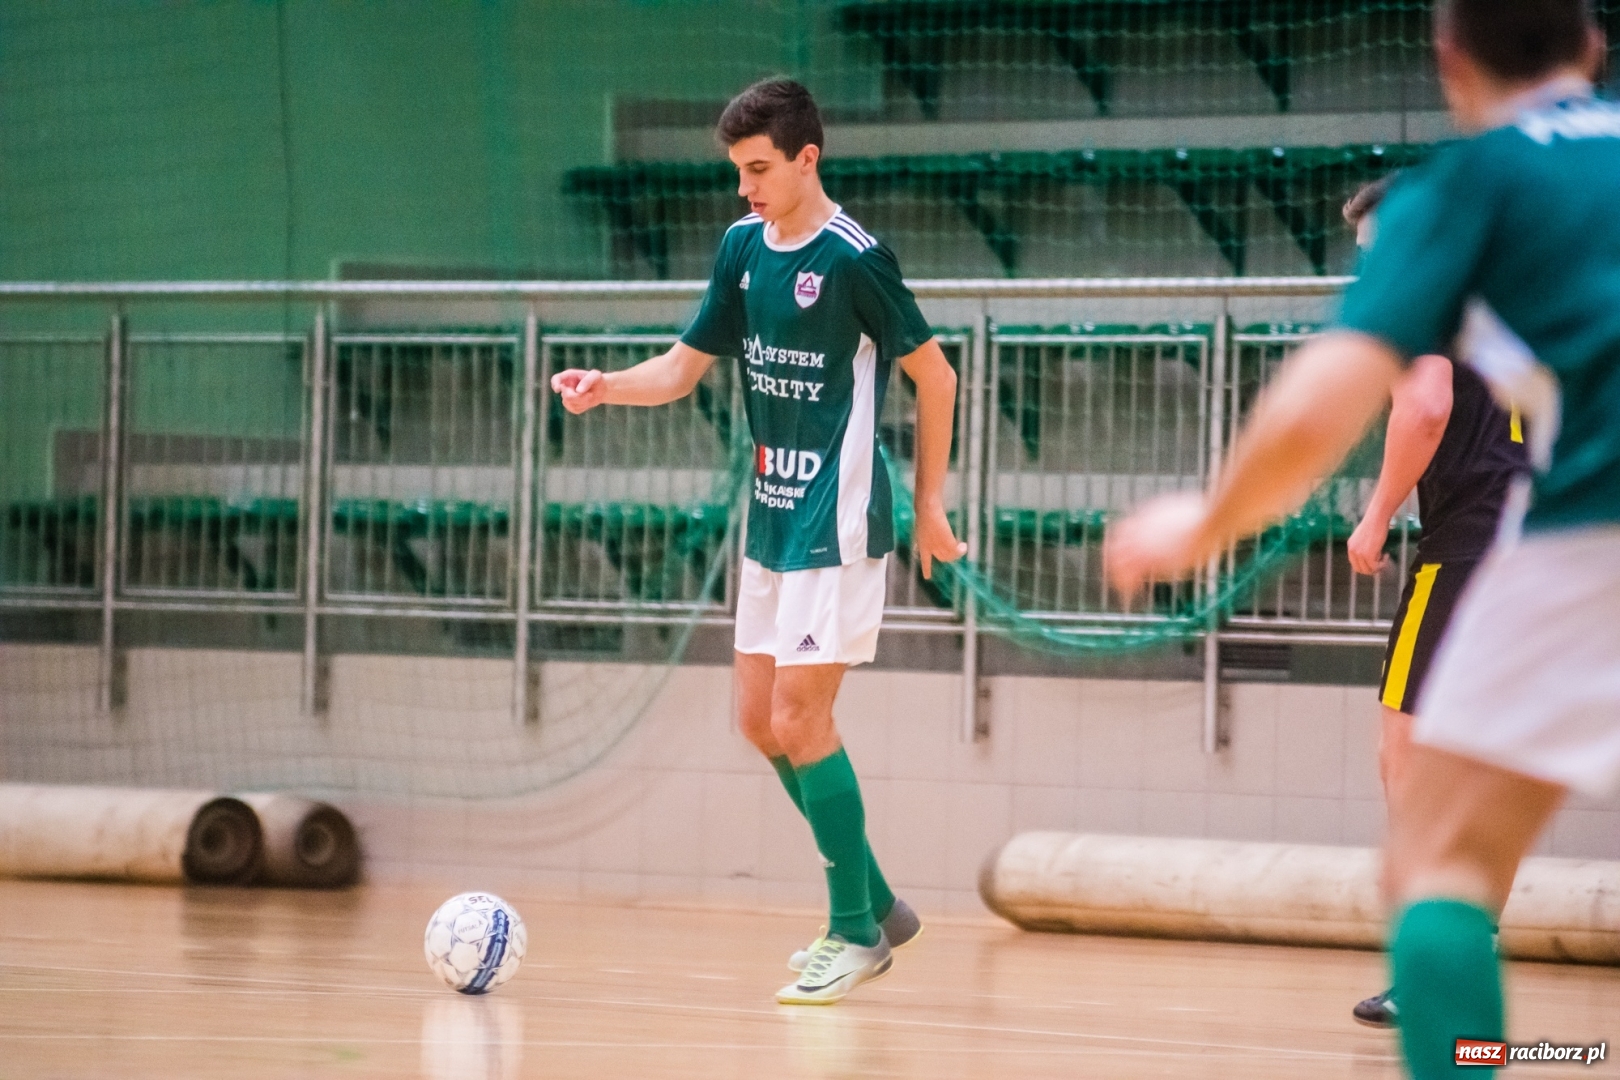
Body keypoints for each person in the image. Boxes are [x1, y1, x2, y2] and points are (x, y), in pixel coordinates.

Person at [1104, 1, 1619, 1075]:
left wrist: (1204, 522)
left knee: (1436, 866)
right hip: (1542, 534)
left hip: (1574, 536)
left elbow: (1331, 403)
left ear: (1447, 60)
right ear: (1593, 47)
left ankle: (1478, 1056)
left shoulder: (1469, 185)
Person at [552, 77, 966, 1006]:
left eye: (758, 169)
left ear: (806, 159)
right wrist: (606, 386)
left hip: (840, 518)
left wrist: (933, 505)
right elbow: (682, 366)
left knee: (801, 720)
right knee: (755, 718)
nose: (744, 187)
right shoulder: (743, 246)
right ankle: (879, 901)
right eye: (738, 171)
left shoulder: (856, 258)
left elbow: (936, 380)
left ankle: (855, 932)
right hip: (772, 513)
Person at [1339, 177, 1529, 1029]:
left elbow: (1424, 403)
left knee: (1407, 752)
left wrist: (1376, 514)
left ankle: (1433, 962)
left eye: (1373, 246)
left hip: (1468, 545)